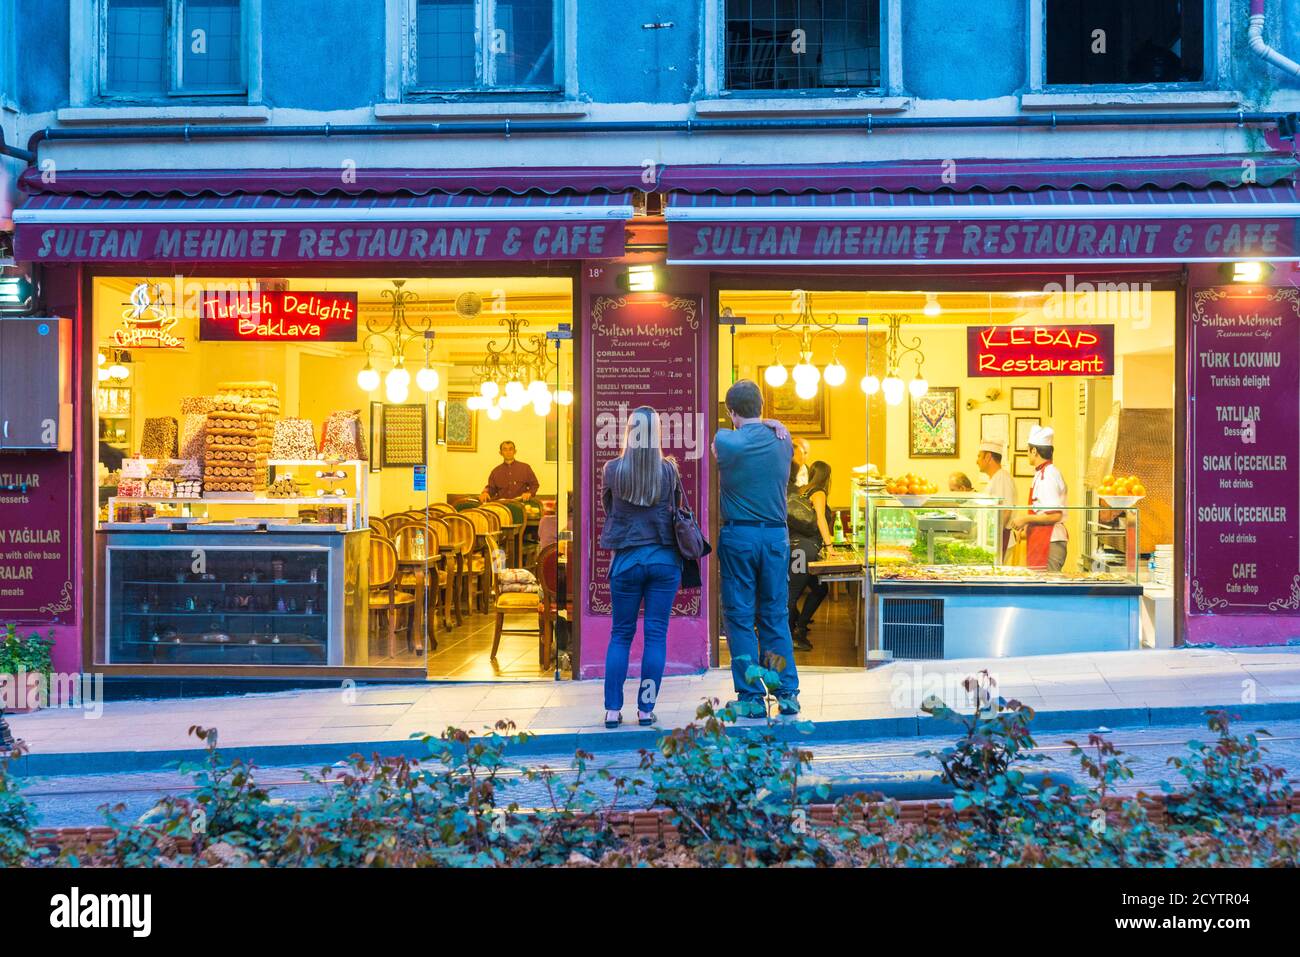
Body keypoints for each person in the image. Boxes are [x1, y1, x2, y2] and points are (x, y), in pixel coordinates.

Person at [713, 379, 800, 716]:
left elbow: (719, 447)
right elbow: (767, 426)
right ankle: (786, 693)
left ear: (730, 412)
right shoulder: (783, 439)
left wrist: (752, 423)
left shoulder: (726, 440)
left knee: (739, 617)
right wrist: (770, 422)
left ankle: (750, 697)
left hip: (740, 537)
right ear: (762, 407)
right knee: (775, 615)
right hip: (776, 537)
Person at [598, 406, 682, 729]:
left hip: (627, 561)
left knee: (620, 635)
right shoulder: (668, 471)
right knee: (656, 635)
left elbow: (610, 510)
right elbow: (675, 510)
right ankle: (646, 709)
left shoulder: (613, 470)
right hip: (663, 561)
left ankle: (612, 710)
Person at [787, 460, 834, 652]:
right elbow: (821, 519)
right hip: (803, 551)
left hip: (794, 547)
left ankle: (801, 627)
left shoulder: (800, 491)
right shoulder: (818, 492)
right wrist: (830, 546)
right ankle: (790, 637)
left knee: (820, 588)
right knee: (792, 594)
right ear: (827, 476)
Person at [1008, 426, 1068, 572]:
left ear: (1034, 451)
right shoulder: (1042, 473)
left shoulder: (1048, 475)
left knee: (1048, 590)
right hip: (1041, 539)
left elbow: (1055, 515)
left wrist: (1025, 519)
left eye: (1028, 450)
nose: (1027, 454)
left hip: (1050, 541)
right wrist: (1027, 525)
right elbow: (1041, 510)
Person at [975, 440, 1017, 558]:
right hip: (994, 539)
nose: (976, 461)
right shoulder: (995, 478)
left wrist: (994, 538)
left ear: (988, 457)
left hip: (1000, 539)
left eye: (979, 456)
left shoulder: (1002, 478)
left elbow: (1006, 511)